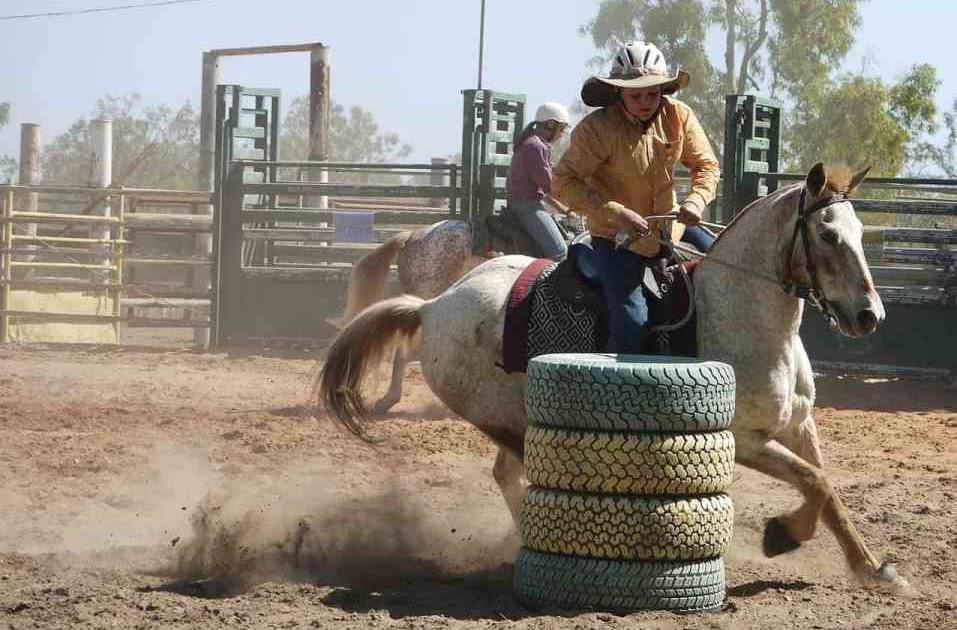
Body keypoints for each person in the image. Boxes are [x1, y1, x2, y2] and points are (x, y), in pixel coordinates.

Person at [553, 41, 720, 353]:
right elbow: (562, 182)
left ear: (663, 90)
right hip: (616, 238)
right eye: (636, 94)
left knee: (729, 278)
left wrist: (696, 200)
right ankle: (616, 392)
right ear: (619, 93)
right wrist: (615, 212)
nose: (646, 101)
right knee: (633, 321)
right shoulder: (596, 130)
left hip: (673, 228)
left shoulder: (679, 116)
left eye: (652, 93)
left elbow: (707, 166)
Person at [504, 102, 572, 261]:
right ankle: (551, 286)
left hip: (525, 202)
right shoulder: (536, 146)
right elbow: (549, 185)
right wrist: (576, 199)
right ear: (550, 124)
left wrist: (564, 208)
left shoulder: (533, 143)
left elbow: (542, 187)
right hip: (527, 206)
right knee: (560, 251)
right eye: (561, 129)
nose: (562, 134)